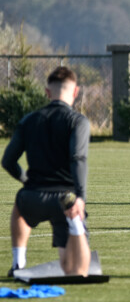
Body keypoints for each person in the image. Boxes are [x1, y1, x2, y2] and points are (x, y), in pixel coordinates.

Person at [2, 66, 91, 277]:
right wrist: (80, 197)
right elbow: (78, 158)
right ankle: (76, 225)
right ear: (75, 92)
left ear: (47, 92)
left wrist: (26, 181)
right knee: (76, 271)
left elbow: (7, 161)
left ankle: (18, 264)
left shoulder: (29, 120)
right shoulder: (78, 121)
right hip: (65, 200)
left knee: (19, 207)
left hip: (32, 197)